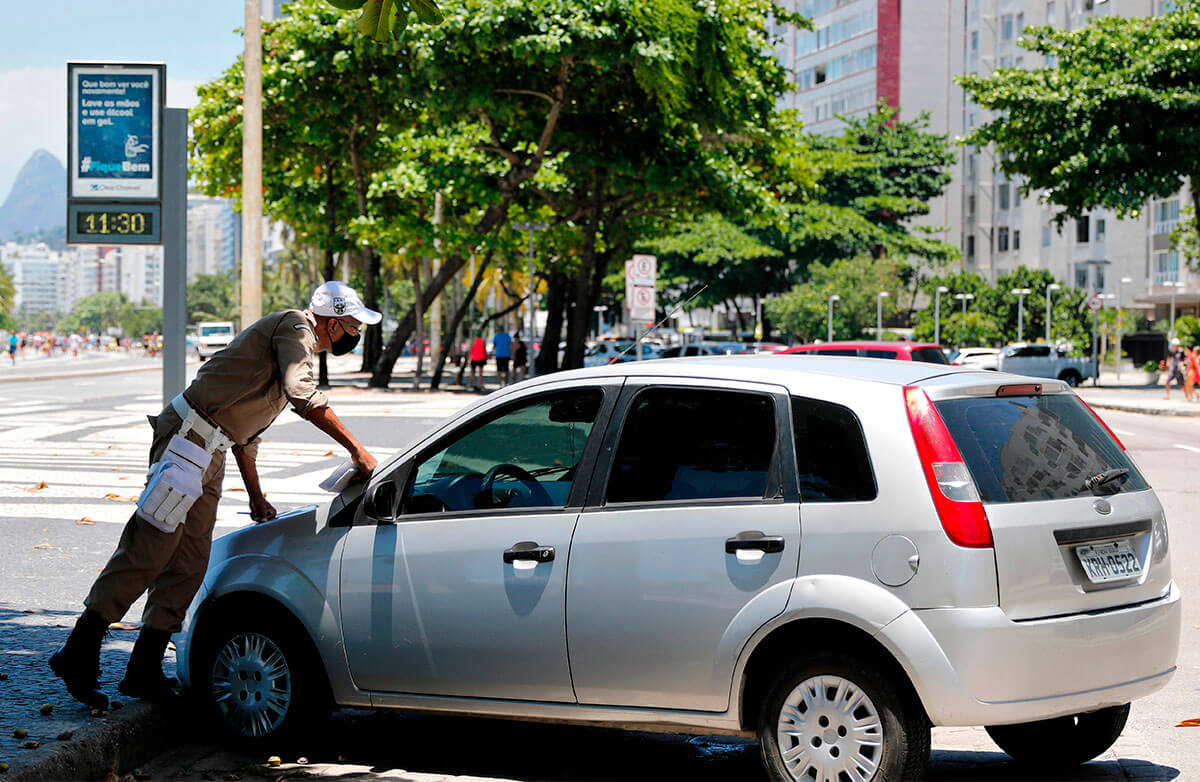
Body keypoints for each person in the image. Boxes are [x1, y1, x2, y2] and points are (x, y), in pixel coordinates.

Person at [49, 281, 381, 709]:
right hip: (186, 442)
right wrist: (357, 449)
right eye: (353, 326)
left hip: (212, 450)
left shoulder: (292, 349)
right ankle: (79, 649)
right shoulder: (296, 328)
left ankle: (144, 668)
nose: (356, 335)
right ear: (334, 324)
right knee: (149, 550)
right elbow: (303, 395)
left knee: (189, 562)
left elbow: (246, 436)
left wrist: (257, 497)